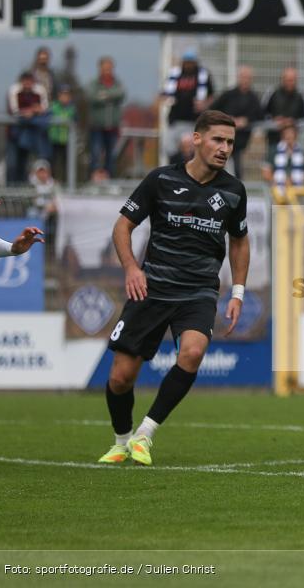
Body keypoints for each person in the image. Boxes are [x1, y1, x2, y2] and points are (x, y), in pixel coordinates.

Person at [98, 110, 250, 466]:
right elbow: (122, 227)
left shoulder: (233, 191)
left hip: (198, 291)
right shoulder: (161, 180)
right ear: (196, 139)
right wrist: (132, 269)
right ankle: (122, 440)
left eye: (230, 142)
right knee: (121, 378)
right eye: (217, 139)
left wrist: (237, 292)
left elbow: (240, 241)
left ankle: (145, 434)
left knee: (193, 353)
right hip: (152, 287)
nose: (225, 148)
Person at [210, 65, 264, 180]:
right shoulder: (228, 94)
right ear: (239, 77)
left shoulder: (254, 98)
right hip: (223, 139)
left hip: (241, 141)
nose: (245, 80)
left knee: (238, 170)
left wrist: (246, 121)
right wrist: (228, 119)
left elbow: (260, 115)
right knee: (218, 166)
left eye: (248, 78)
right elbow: (213, 109)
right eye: (243, 77)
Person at [161, 50, 214, 158]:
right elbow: (164, 94)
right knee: (170, 148)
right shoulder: (175, 74)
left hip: (193, 120)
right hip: (175, 119)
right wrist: (166, 99)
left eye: (191, 62)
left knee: (191, 150)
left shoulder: (203, 75)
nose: (188, 64)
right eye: (186, 62)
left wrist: (204, 104)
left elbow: (211, 96)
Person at [7, 72, 50, 183]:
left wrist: (34, 111)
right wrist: (31, 110)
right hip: (14, 134)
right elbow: (14, 110)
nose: (27, 84)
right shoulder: (14, 90)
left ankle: (22, 192)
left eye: (30, 81)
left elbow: (44, 108)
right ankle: (10, 193)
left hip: (30, 134)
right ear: (21, 82)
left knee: (24, 165)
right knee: (12, 165)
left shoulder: (39, 90)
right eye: (25, 81)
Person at [87, 56, 126, 180]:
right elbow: (92, 96)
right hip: (96, 127)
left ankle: (110, 182)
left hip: (113, 127)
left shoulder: (117, 83)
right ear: (100, 69)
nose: (107, 71)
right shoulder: (94, 83)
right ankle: (92, 181)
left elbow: (121, 94)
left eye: (109, 68)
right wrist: (111, 96)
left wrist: (104, 95)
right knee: (95, 155)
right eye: (105, 68)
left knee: (111, 157)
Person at [264, 67, 304, 157]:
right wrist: (274, 121)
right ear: (282, 79)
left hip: (294, 143)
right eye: (287, 80)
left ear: (296, 80)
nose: (290, 83)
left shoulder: (301, 95)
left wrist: (293, 122)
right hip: (274, 140)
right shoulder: (273, 93)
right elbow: (262, 113)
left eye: (292, 80)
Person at [263, 123, 304, 200]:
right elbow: (266, 173)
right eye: (286, 133)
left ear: (296, 135)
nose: (289, 136)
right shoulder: (274, 150)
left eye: (291, 133)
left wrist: (294, 181)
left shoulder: (303, 153)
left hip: (297, 193)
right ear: (282, 135)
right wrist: (279, 183)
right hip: (277, 192)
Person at [48, 84, 75, 182]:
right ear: (59, 96)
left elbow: (75, 121)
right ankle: (52, 183)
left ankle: (66, 183)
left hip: (66, 140)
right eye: (62, 95)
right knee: (52, 163)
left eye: (67, 95)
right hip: (54, 139)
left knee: (66, 164)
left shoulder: (72, 108)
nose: (64, 98)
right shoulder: (53, 107)